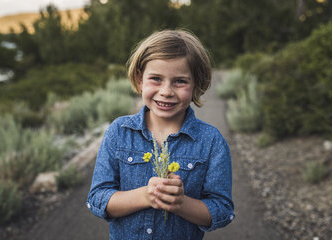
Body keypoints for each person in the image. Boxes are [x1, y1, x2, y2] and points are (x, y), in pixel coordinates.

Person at [86, 29, 234, 240]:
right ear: (139, 80)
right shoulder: (119, 132)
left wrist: (181, 203)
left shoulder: (211, 142)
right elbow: (98, 199)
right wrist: (146, 196)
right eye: (156, 78)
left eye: (180, 81)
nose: (166, 91)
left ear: (196, 84)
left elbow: (222, 211)